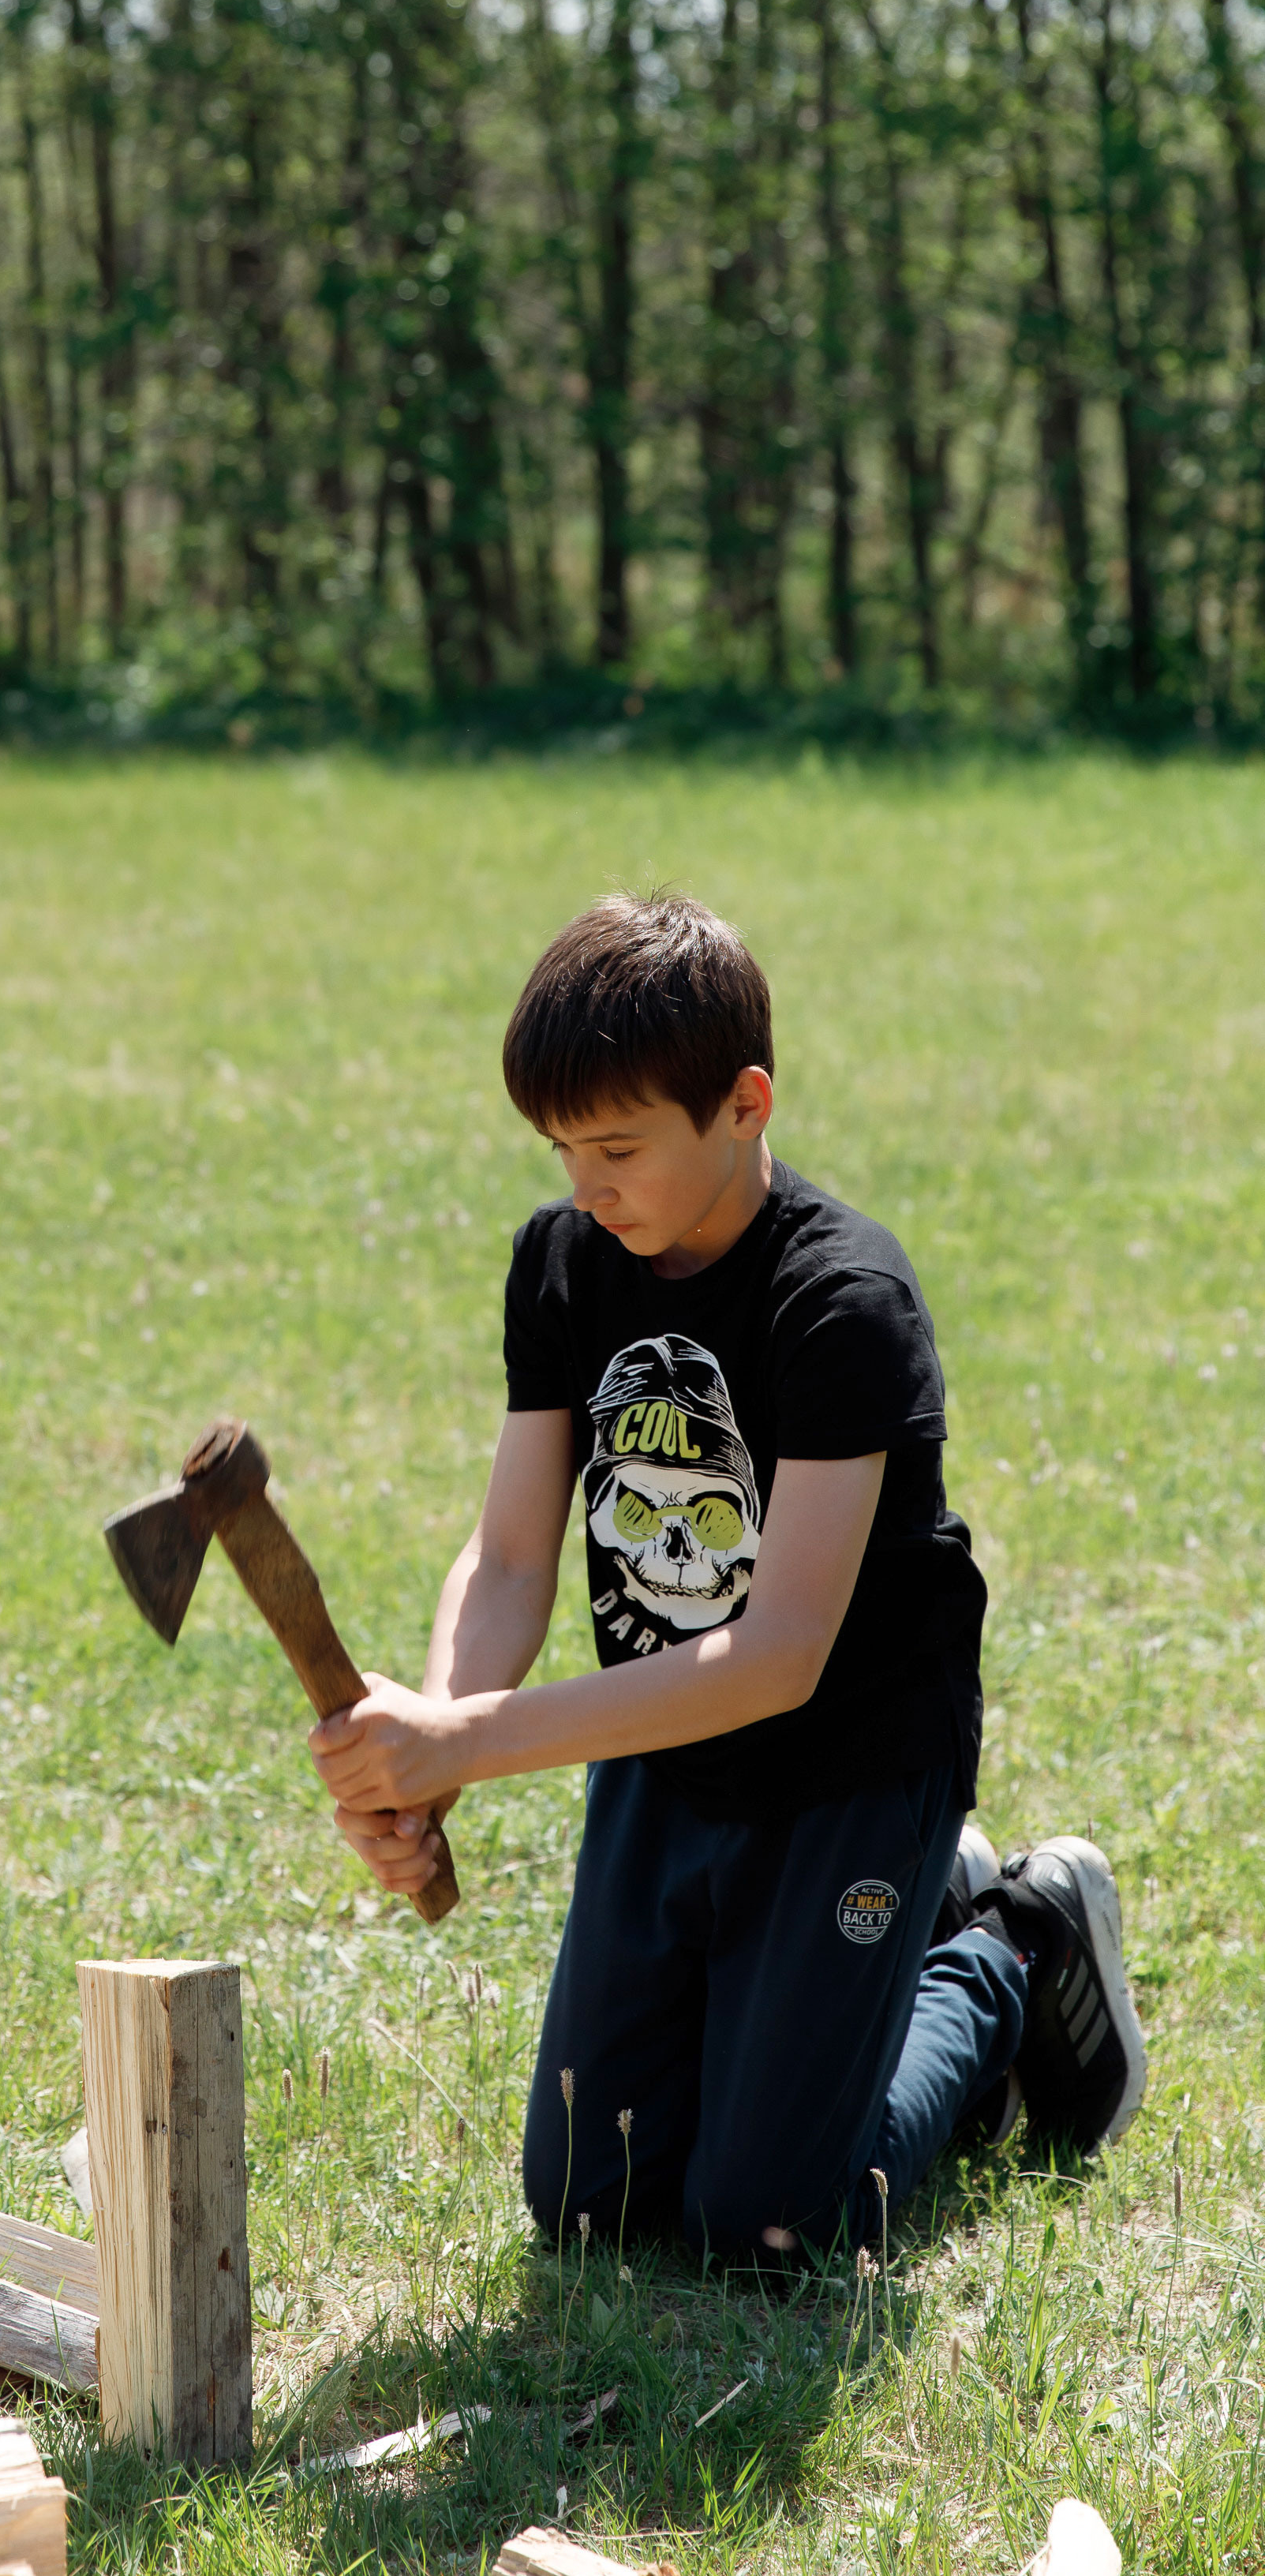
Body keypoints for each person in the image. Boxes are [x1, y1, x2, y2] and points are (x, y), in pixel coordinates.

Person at [310, 893, 1145, 2260]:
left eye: (620, 1146)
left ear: (745, 1105)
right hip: (665, 1748)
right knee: (590, 2200)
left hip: (849, 1762)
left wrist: (471, 1736)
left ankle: (1004, 1943)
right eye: (563, 1147)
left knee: (764, 2228)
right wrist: (439, 1743)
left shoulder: (841, 1300)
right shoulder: (567, 1264)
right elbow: (514, 1553)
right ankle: (886, 1943)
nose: (588, 1184)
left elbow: (778, 1657)